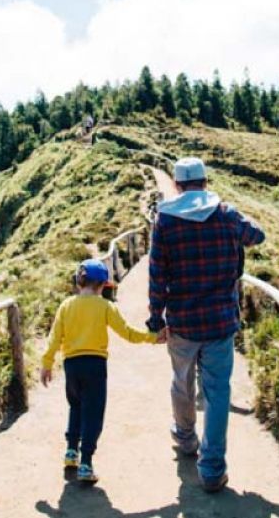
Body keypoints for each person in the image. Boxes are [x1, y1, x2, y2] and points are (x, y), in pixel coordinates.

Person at [146, 157, 265, 493]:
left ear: (178, 185)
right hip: (220, 322)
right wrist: (232, 211)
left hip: (182, 322)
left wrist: (157, 321)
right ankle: (212, 470)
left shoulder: (165, 221)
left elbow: (157, 277)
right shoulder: (226, 214)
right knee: (217, 392)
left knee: (181, 382)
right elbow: (258, 235)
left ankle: (185, 440)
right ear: (205, 181)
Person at [41, 259, 161, 484]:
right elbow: (127, 333)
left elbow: (54, 337)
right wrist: (153, 338)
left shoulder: (66, 306)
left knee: (75, 406)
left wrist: (47, 363)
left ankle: (71, 451)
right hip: (95, 364)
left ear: (79, 281)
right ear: (102, 285)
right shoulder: (105, 306)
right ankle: (85, 462)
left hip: (71, 365)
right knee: (93, 412)